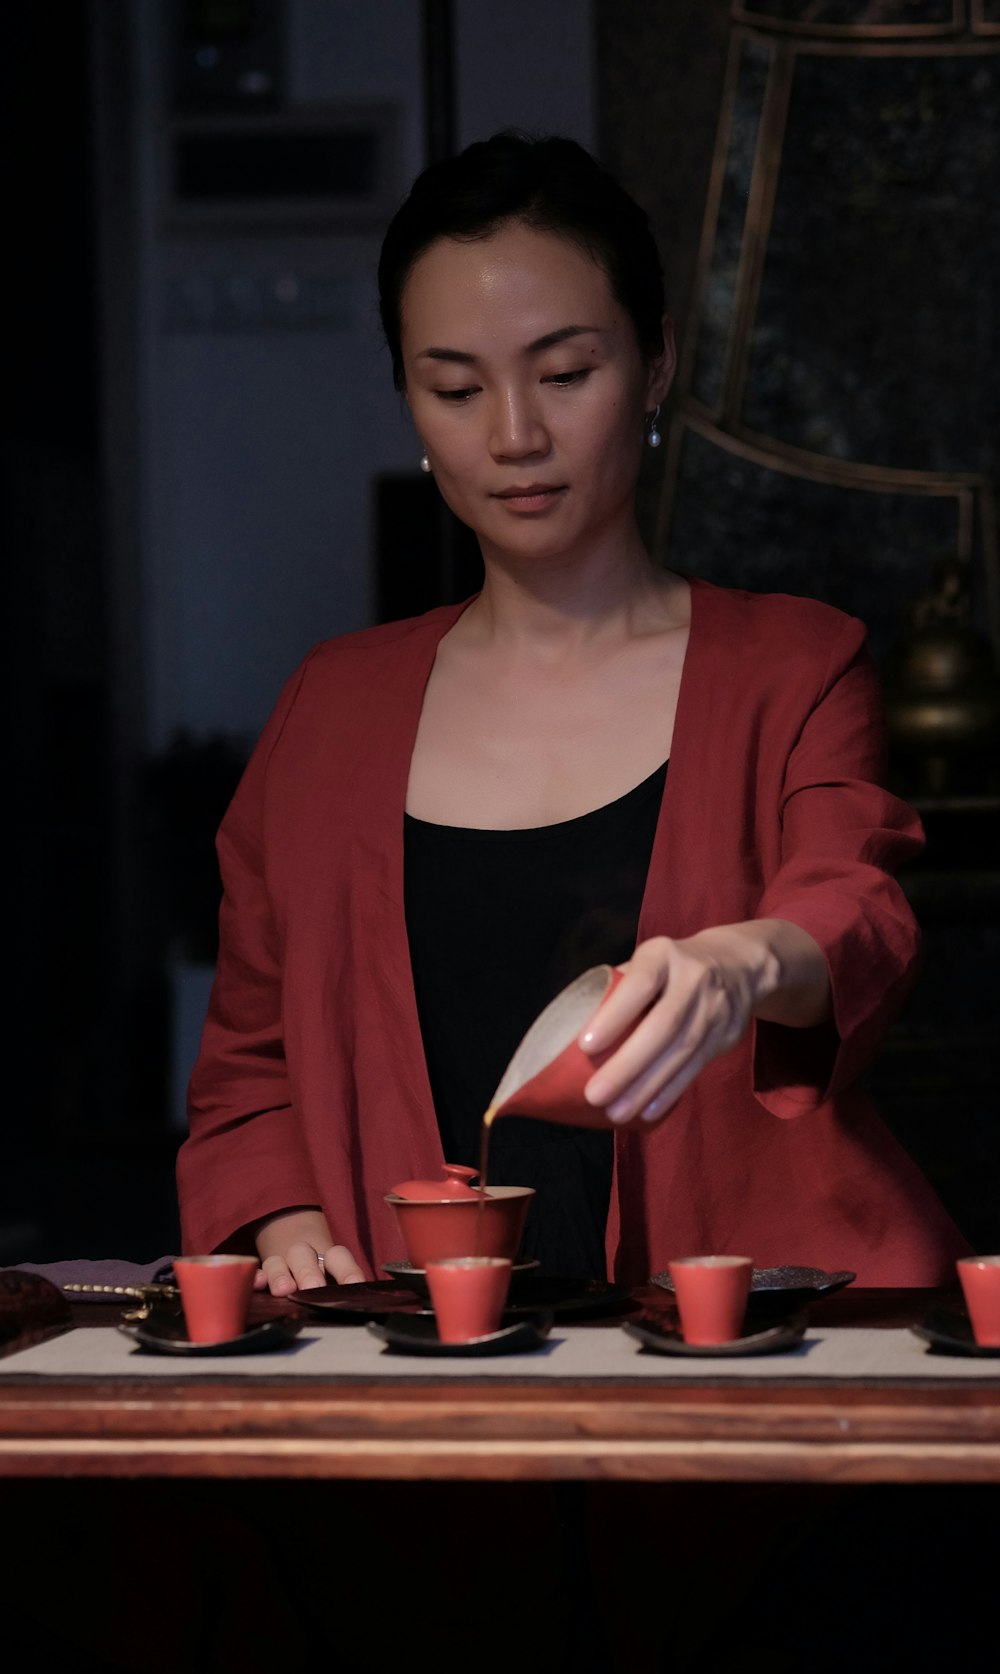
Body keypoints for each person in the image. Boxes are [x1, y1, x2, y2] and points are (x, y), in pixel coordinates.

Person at [177, 130, 969, 1300]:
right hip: (416, 1349)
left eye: (562, 373)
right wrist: (282, 1215)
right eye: (454, 387)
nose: (512, 436)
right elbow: (250, 1064)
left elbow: (856, 904)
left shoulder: (792, 665)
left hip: (743, 1334)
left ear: (654, 366)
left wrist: (745, 961)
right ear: (408, 398)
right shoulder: (330, 709)